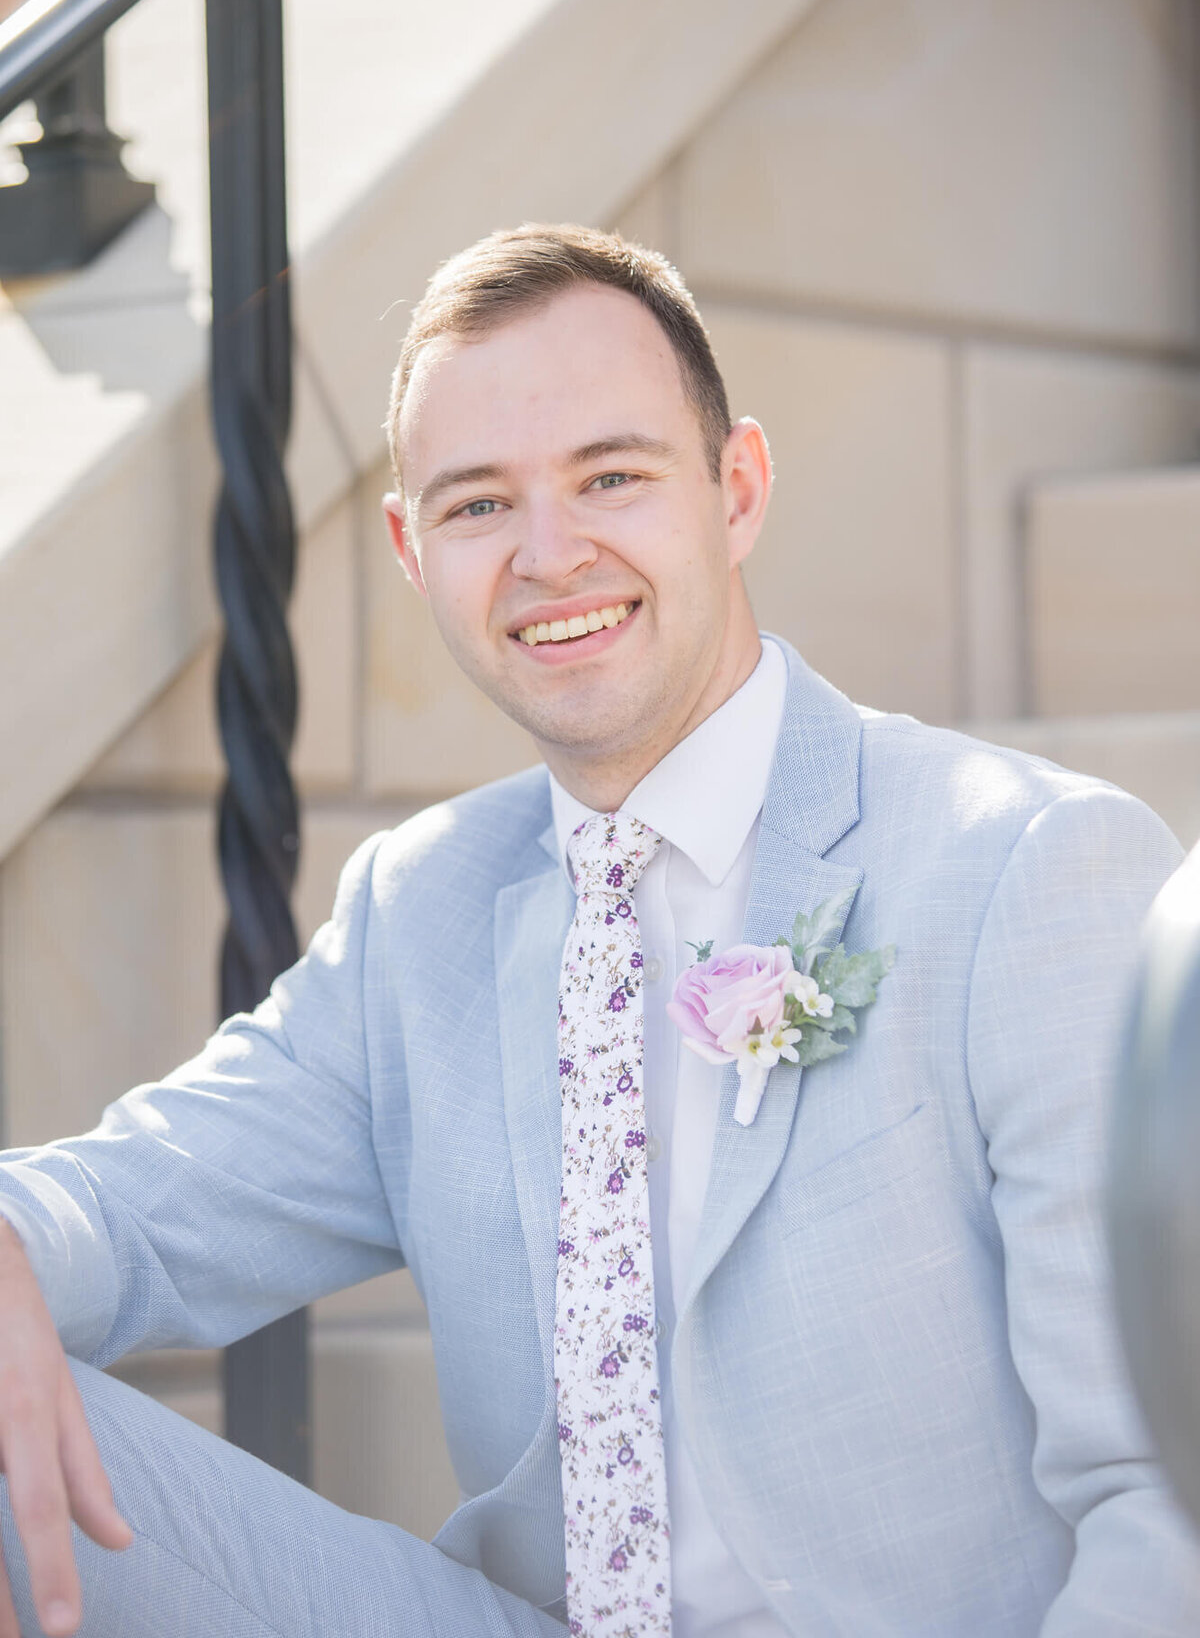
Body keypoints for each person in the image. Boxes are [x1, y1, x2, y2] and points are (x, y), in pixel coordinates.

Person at [0, 224, 1197, 1638]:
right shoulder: (419, 909)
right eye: (478, 507)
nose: (550, 557)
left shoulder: (1023, 867)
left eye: (612, 478)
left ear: (735, 489)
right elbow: (133, 1212)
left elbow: (1161, 1497)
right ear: (410, 546)